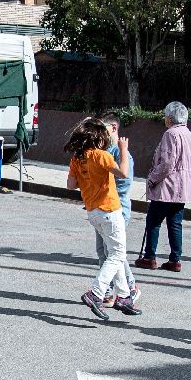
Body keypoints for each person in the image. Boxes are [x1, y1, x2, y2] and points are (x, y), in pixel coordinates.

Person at [65, 117, 138, 321]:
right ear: (98, 138)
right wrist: (123, 149)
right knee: (116, 255)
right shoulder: (102, 156)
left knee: (116, 254)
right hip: (110, 210)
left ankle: (124, 296)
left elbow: (71, 185)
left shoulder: (77, 159)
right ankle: (96, 293)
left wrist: (88, 179)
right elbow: (123, 173)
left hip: (93, 212)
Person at [137, 100, 191, 272]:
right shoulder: (188, 133)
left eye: (165, 116)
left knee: (153, 221)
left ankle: (149, 257)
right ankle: (175, 259)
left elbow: (168, 163)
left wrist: (152, 179)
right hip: (183, 186)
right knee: (175, 223)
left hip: (168, 185)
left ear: (170, 118)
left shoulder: (171, 134)